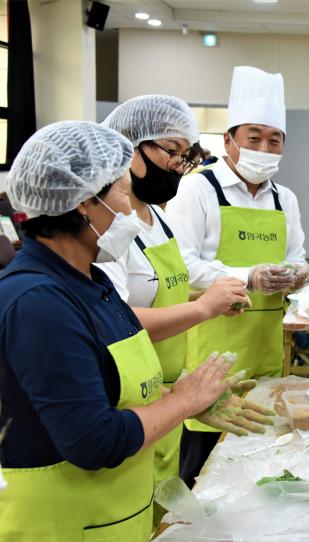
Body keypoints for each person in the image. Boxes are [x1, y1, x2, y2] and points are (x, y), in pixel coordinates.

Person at [0, 121, 274, 541]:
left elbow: (105, 393)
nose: (130, 210)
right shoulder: (38, 302)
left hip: (111, 518)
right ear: (83, 204)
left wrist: (188, 400)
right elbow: (94, 441)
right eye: (123, 194)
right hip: (63, 525)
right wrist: (182, 401)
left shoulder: (91, 282)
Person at [99, 95, 254, 489]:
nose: (177, 164)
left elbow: (160, 296)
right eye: (171, 150)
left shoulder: (159, 217)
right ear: (129, 145)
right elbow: (113, 321)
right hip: (128, 401)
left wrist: (210, 301)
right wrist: (202, 309)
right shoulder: (109, 228)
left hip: (163, 391)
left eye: (185, 155)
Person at [167, 66, 308, 484]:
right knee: (204, 469)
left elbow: (296, 257)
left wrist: (296, 275)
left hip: (266, 346)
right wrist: (249, 276)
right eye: (254, 137)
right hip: (212, 347)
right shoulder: (198, 188)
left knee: (256, 463)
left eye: (274, 140)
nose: (265, 147)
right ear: (229, 140)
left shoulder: (284, 198)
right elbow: (182, 266)